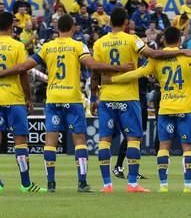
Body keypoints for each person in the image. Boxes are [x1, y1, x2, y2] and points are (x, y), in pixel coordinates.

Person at [0, 14, 133, 192]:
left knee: (50, 142)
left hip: (54, 98)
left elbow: (24, 68)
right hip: (72, 98)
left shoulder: (47, 47)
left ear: (57, 29)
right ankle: (82, 182)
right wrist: (120, 68)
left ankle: (51, 184)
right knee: (79, 141)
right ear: (72, 27)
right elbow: (93, 66)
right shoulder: (78, 46)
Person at [110, 27, 191, 193]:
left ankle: (163, 185)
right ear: (179, 40)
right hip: (185, 108)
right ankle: (187, 185)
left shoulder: (156, 59)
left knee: (164, 146)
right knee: (187, 148)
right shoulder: (185, 56)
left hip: (166, 108)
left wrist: (113, 79)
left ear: (164, 41)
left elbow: (137, 73)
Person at [90, 8, 191, 193]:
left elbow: (94, 72)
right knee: (133, 139)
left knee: (104, 141)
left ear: (110, 23)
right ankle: (132, 184)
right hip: (128, 97)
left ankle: (107, 185)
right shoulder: (132, 39)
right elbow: (153, 54)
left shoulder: (99, 43)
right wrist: (182, 52)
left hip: (106, 96)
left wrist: (93, 97)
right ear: (125, 22)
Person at [0, 12, 45, 192]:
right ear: (11, 26)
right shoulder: (17, 46)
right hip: (14, 98)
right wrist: (28, 98)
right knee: (20, 140)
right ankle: (25, 183)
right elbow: (23, 73)